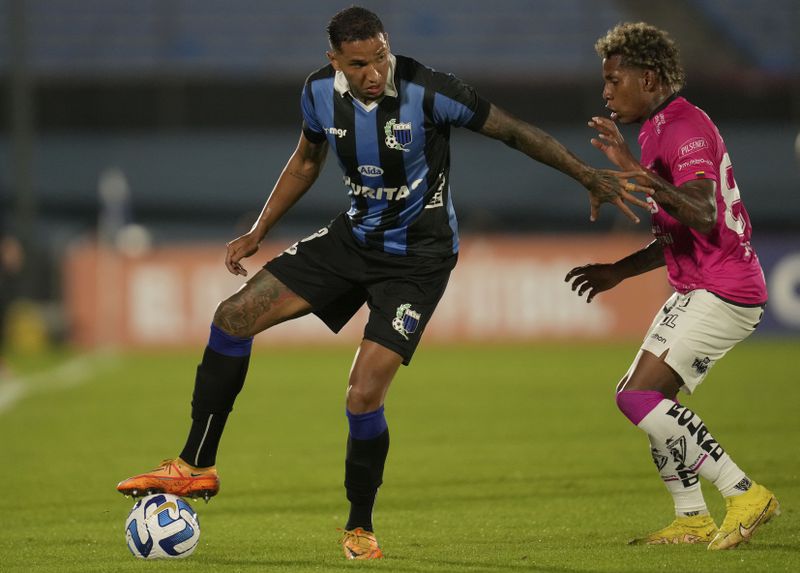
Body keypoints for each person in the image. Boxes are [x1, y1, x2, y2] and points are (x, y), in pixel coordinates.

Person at [116, 6, 651, 560]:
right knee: (233, 318)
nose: (373, 73)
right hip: (353, 241)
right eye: (358, 64)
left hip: (418, 262)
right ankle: (197, 464)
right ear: (334, 62)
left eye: (379, 59)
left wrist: (586, 175)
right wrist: (259, 229)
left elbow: (514, 132)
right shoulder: (318, 92)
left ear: (387, 47)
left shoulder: (431, 91)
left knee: (363, 393)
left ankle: (359, 524)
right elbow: (306, 160)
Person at [565, 22, 779, 550]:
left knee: (639, 397)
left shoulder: (683, 128)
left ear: (651, 78)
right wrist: (619, 271)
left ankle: (745, 492)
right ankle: (691, 518)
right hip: (699, 285)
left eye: (615, 80)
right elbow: (678, 229)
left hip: (725, 288)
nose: (606, 91)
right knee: (642, 396)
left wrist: (635, 170)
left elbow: (705, 214)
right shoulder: (656, 128)